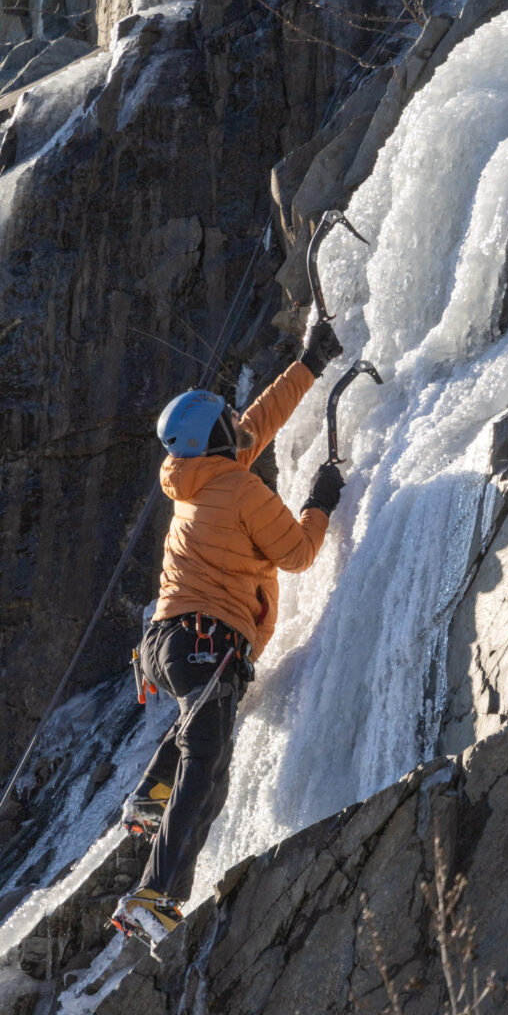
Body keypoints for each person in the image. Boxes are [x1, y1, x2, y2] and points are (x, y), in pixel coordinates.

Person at [111, 320, 345, 944]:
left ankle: (149, 792)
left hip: (169, 644)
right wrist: (321, 500)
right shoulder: (237, 488)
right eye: (225, 422)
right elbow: (296, 553)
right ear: (212, 438)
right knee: (208, 762)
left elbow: (258, 423)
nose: (236, 423)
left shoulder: (199, 481)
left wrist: (308, 365)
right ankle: (154, 897)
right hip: (207, 638)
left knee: (200, 738)